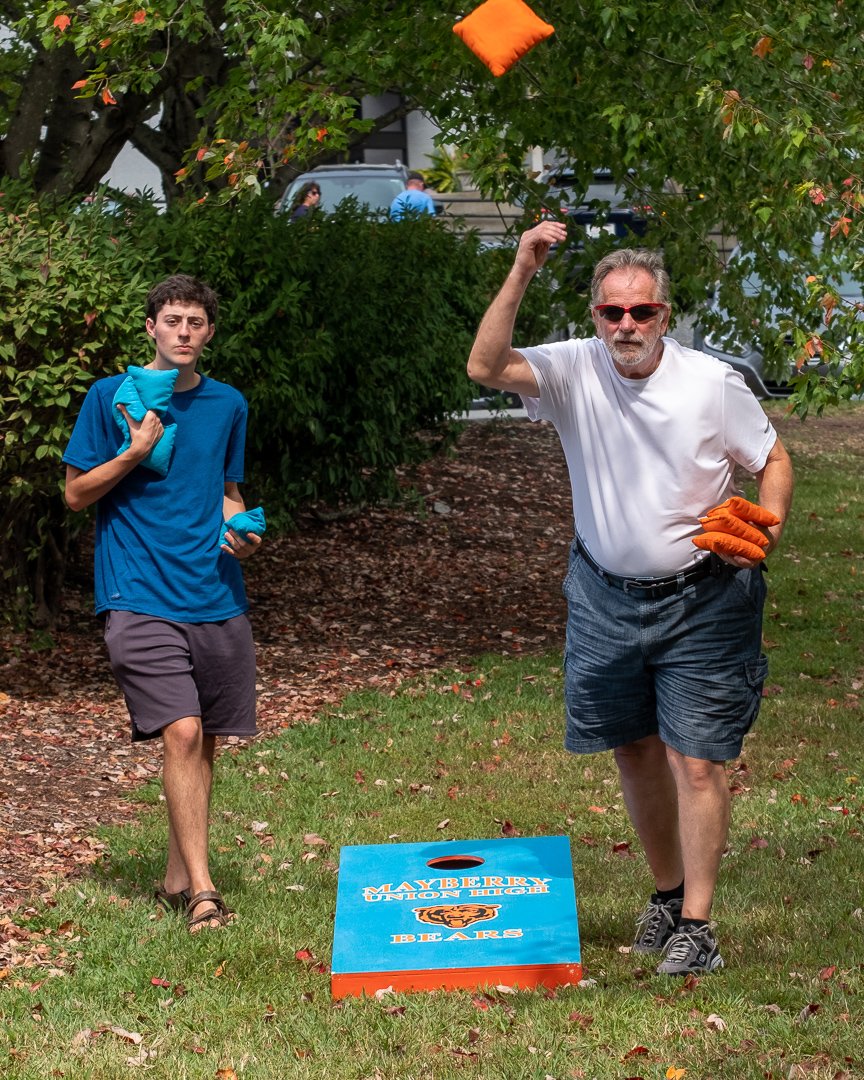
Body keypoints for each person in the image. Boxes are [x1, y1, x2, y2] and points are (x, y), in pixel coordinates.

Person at [467, 222, 794, 975]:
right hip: (604, 596)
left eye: (641, 313)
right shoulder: (573, 369)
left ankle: (700, 929)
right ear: (595, 318)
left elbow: (772, 457)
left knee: (699, 760)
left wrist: (767, 524)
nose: (626, 327)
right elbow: (484, 365)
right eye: (612, 313)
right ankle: (668, 897)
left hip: (706, 598)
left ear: (664, 316)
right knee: (634, 747)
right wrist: (521, 267)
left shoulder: (711, 385)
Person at [63, 274, 262, 932]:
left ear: (208, 333)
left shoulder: (228, 403)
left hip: (213, 590)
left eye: (195, 323)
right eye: (172, 320)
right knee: (179, 730)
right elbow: (76, 493)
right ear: (151, 327)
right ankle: (205, 895)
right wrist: (134, 453)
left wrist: (244, 531)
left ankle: (178, 878)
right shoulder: (110, 400)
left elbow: (227, 490)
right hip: (137, 590)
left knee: (204, 741)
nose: (183, 332)